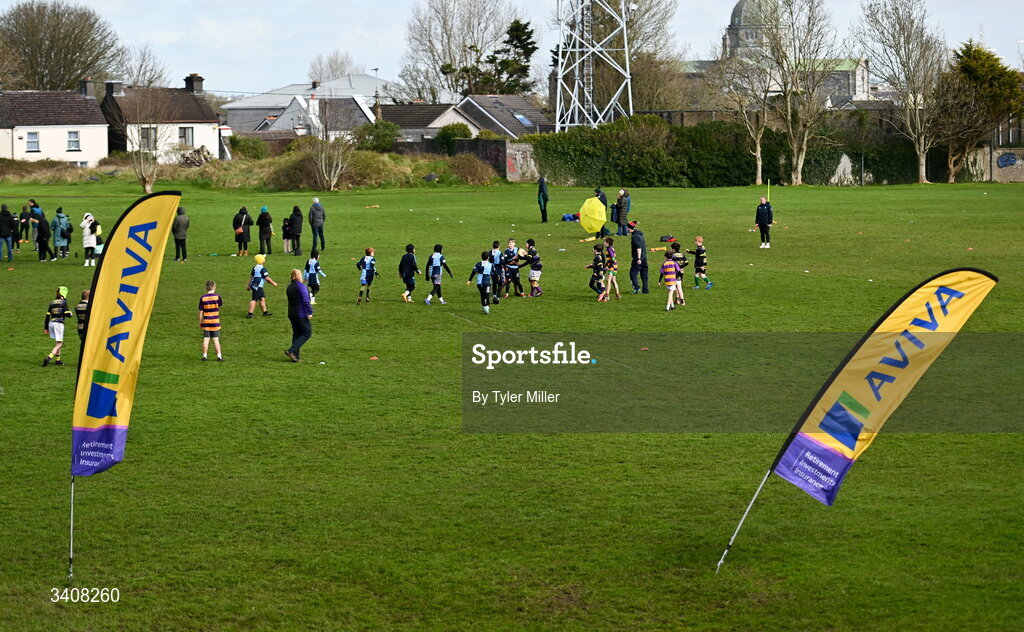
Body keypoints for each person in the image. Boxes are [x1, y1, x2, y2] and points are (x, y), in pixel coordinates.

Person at [284, 269, 313, 362]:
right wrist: (310, 311)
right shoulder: (301, 286)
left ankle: (295, 358)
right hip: (300, 313)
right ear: (297, 276)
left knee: (296, 334)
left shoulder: (289, 287)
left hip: (291, 313)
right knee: (307, 332)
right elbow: (306, 300)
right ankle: (291, 351)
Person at [43, 285, 71, 366]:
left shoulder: (52, 302)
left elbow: (47, 315)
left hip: (51, 323)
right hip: (59, 324)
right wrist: (71, 313)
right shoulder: (64, 302)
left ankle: (58, 361)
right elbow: (67, 314)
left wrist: (46, 327)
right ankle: (49, 357)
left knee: (58, 342)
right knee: (60, 344)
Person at [246, 254, 278, 318]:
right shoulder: (263, 269)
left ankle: (265, 312)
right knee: (254, 300)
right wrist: (274, 283)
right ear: (263, 261)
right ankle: (250, 314)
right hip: (257, 286)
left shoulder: (255, 267)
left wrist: (248, 285)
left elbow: (251, 276)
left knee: (262, 298)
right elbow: (267, 278)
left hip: (254, 285)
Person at [198, 280, 223, 361]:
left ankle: (204, 356)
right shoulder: (217, 297)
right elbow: (219, 305)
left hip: (206, 321)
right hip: (215, 321)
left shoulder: (203, 298)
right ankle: (219, 356)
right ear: (214, 287)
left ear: (206, 288)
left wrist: (200, 321)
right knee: (216, 339)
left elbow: (201, 311)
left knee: (206, 339)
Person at [627, 221, 648, 294]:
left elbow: (638, 247)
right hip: (644, 257)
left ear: (629, 228)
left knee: (632, 274)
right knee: (644, 275)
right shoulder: (640, 235)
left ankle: (637, 288)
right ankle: (645, 290)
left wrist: (638, 258)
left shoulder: (635, 237)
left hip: (638, 258)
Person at [488, 240, 504, 305]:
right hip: (498, 269)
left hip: (492, 269)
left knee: (494, 282)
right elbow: (502, 261)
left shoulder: (490, 252)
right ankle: (497, 297)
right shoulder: (500, 253)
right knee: (500, 283)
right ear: (499, 246)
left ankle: (494, 295)